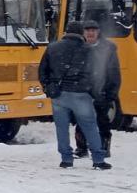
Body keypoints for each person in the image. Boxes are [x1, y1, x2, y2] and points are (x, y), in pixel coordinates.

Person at [39, 21, 111, 170]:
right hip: (81, 94)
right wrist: (94, 92)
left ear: (66, 32)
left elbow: (42, 71)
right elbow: (95, 75)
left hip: (59, 95)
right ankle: (98, 159)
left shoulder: (52, 48)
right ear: (81, 33)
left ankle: (66, 159)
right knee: (90, 126)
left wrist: (48, 87)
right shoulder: (88, 50)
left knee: (62, 128)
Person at [74, 20, 121, 159]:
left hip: (102, 91)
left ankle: (104, 148)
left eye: (93, 30)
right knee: (81, 120)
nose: (90, 33)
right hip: (82, 92)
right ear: (83, 33)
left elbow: (114, 72)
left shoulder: (108, 48)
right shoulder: (79, 47)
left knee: (102, 121)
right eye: (87, 30)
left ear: (98, 32)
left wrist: (111, 93)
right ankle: (81, 148)